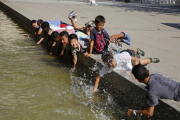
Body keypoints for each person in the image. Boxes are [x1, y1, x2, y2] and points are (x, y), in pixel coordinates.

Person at [93, 51, 160, 92]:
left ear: (113, 57)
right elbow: (98, 77)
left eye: (112, 62)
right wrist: (95, 89)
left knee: (140, 61)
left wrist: (133, 71)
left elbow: (136, 59)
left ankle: (150, 60)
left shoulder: (122, 57)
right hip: (125, 62)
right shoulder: (106, 67)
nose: (111, 64)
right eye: (109, 64)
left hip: (128, 56)